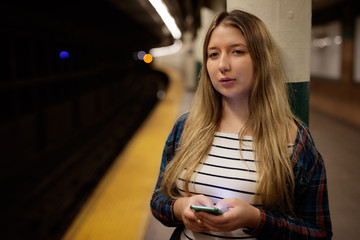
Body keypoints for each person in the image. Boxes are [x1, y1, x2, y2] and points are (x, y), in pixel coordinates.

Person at [150, 9, 332, 240]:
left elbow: (320, 234)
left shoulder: (294, 139)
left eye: (237, 51)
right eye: (213, 54)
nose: (222, 65)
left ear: (261, 59)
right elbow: (158, 201)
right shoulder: (186, 127)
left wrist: (255, 219)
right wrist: (180, 208)